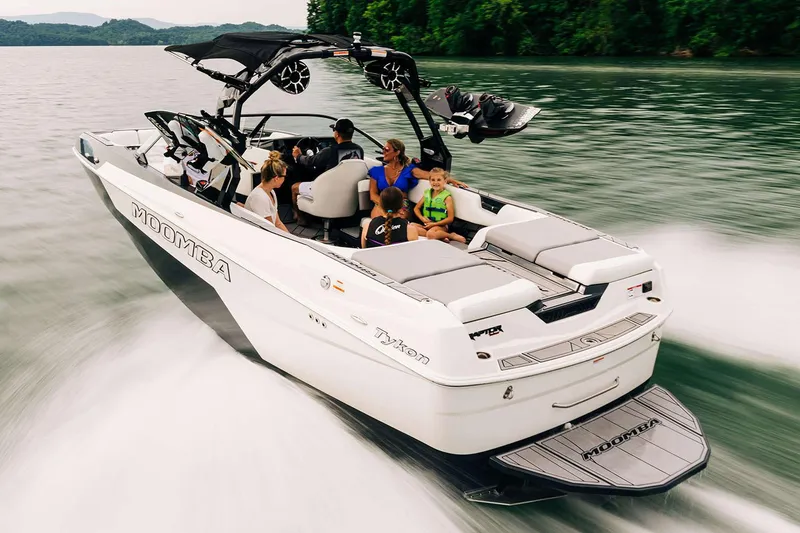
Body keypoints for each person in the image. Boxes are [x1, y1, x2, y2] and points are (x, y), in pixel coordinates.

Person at [368, 138, 466, 219]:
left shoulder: (409, 170)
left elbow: (431, 175)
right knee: (377, 219)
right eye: (383, 149)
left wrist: (451, 180)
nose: (383, 152)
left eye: (386, 149)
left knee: (399, 218)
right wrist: (386, 206)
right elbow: (373, 195)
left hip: (402, 204)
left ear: (397, 152)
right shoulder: (376, 171)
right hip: (382, 203)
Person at [291, 118, 364, 224]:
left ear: (337, 134)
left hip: (327, 190)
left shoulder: (329, 151)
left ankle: (301, 218)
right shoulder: (359, 150)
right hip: (349, 191)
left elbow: (310, 161)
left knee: (294, 188)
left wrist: (298, 156)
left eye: (334, 130)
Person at [412, 168, 467, 243]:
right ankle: (440, 236)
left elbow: (450, 218)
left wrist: (434, 224)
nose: (436, 182)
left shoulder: (447, 197)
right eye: (433, 180)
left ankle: (450, 235)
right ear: (429, 181)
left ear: (445, 181)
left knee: (430, 234)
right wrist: (422, 219)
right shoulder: (427, 194)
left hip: (441, 226)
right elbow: (416, 208)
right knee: (410, 226)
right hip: (427, 225)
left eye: (439, 180)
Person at [244, 151, 289, 232]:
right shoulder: (260, 198)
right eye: (284, 176)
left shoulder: (271, 192)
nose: (284, 179)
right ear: (276, 178)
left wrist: (292, 237)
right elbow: (270, 230)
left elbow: (277, 223)